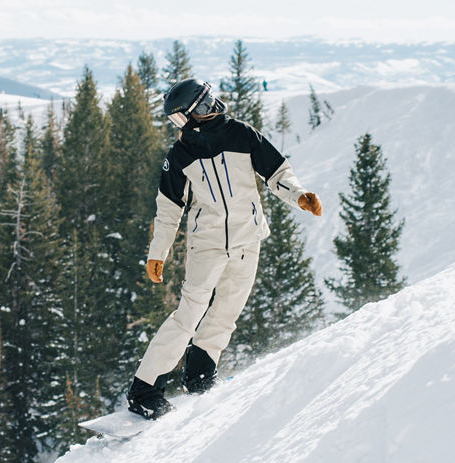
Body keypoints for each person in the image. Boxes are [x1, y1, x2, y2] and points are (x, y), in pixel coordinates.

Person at [126, 78, 323, 420]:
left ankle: (199, 374)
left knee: (226, 312)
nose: (179, 126)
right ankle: (144, 390)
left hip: (248, 239)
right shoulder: (181, 153)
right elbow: (169, 208)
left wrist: (298, 195)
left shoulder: (243, 135)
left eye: (179, 117)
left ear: (199, 108)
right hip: (208, 244)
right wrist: (158, 252)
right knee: (189, 314)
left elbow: (277, 172)